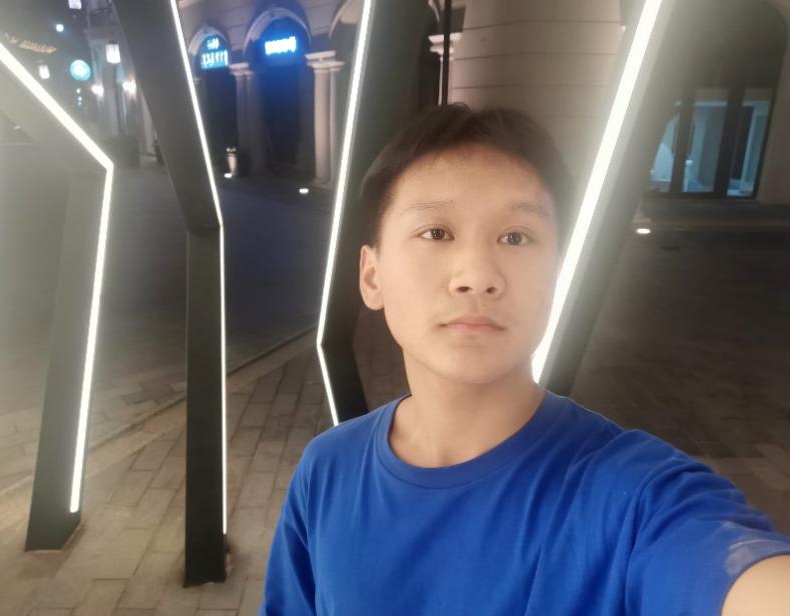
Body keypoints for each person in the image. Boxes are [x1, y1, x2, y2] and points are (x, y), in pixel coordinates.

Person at [258, 102, 790, 615]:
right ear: (372, 276)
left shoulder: (632, 496)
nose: (477, 275)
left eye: (517, 236)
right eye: (436, 232)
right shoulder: (326, 471)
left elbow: (729, 566)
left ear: (557, 273)